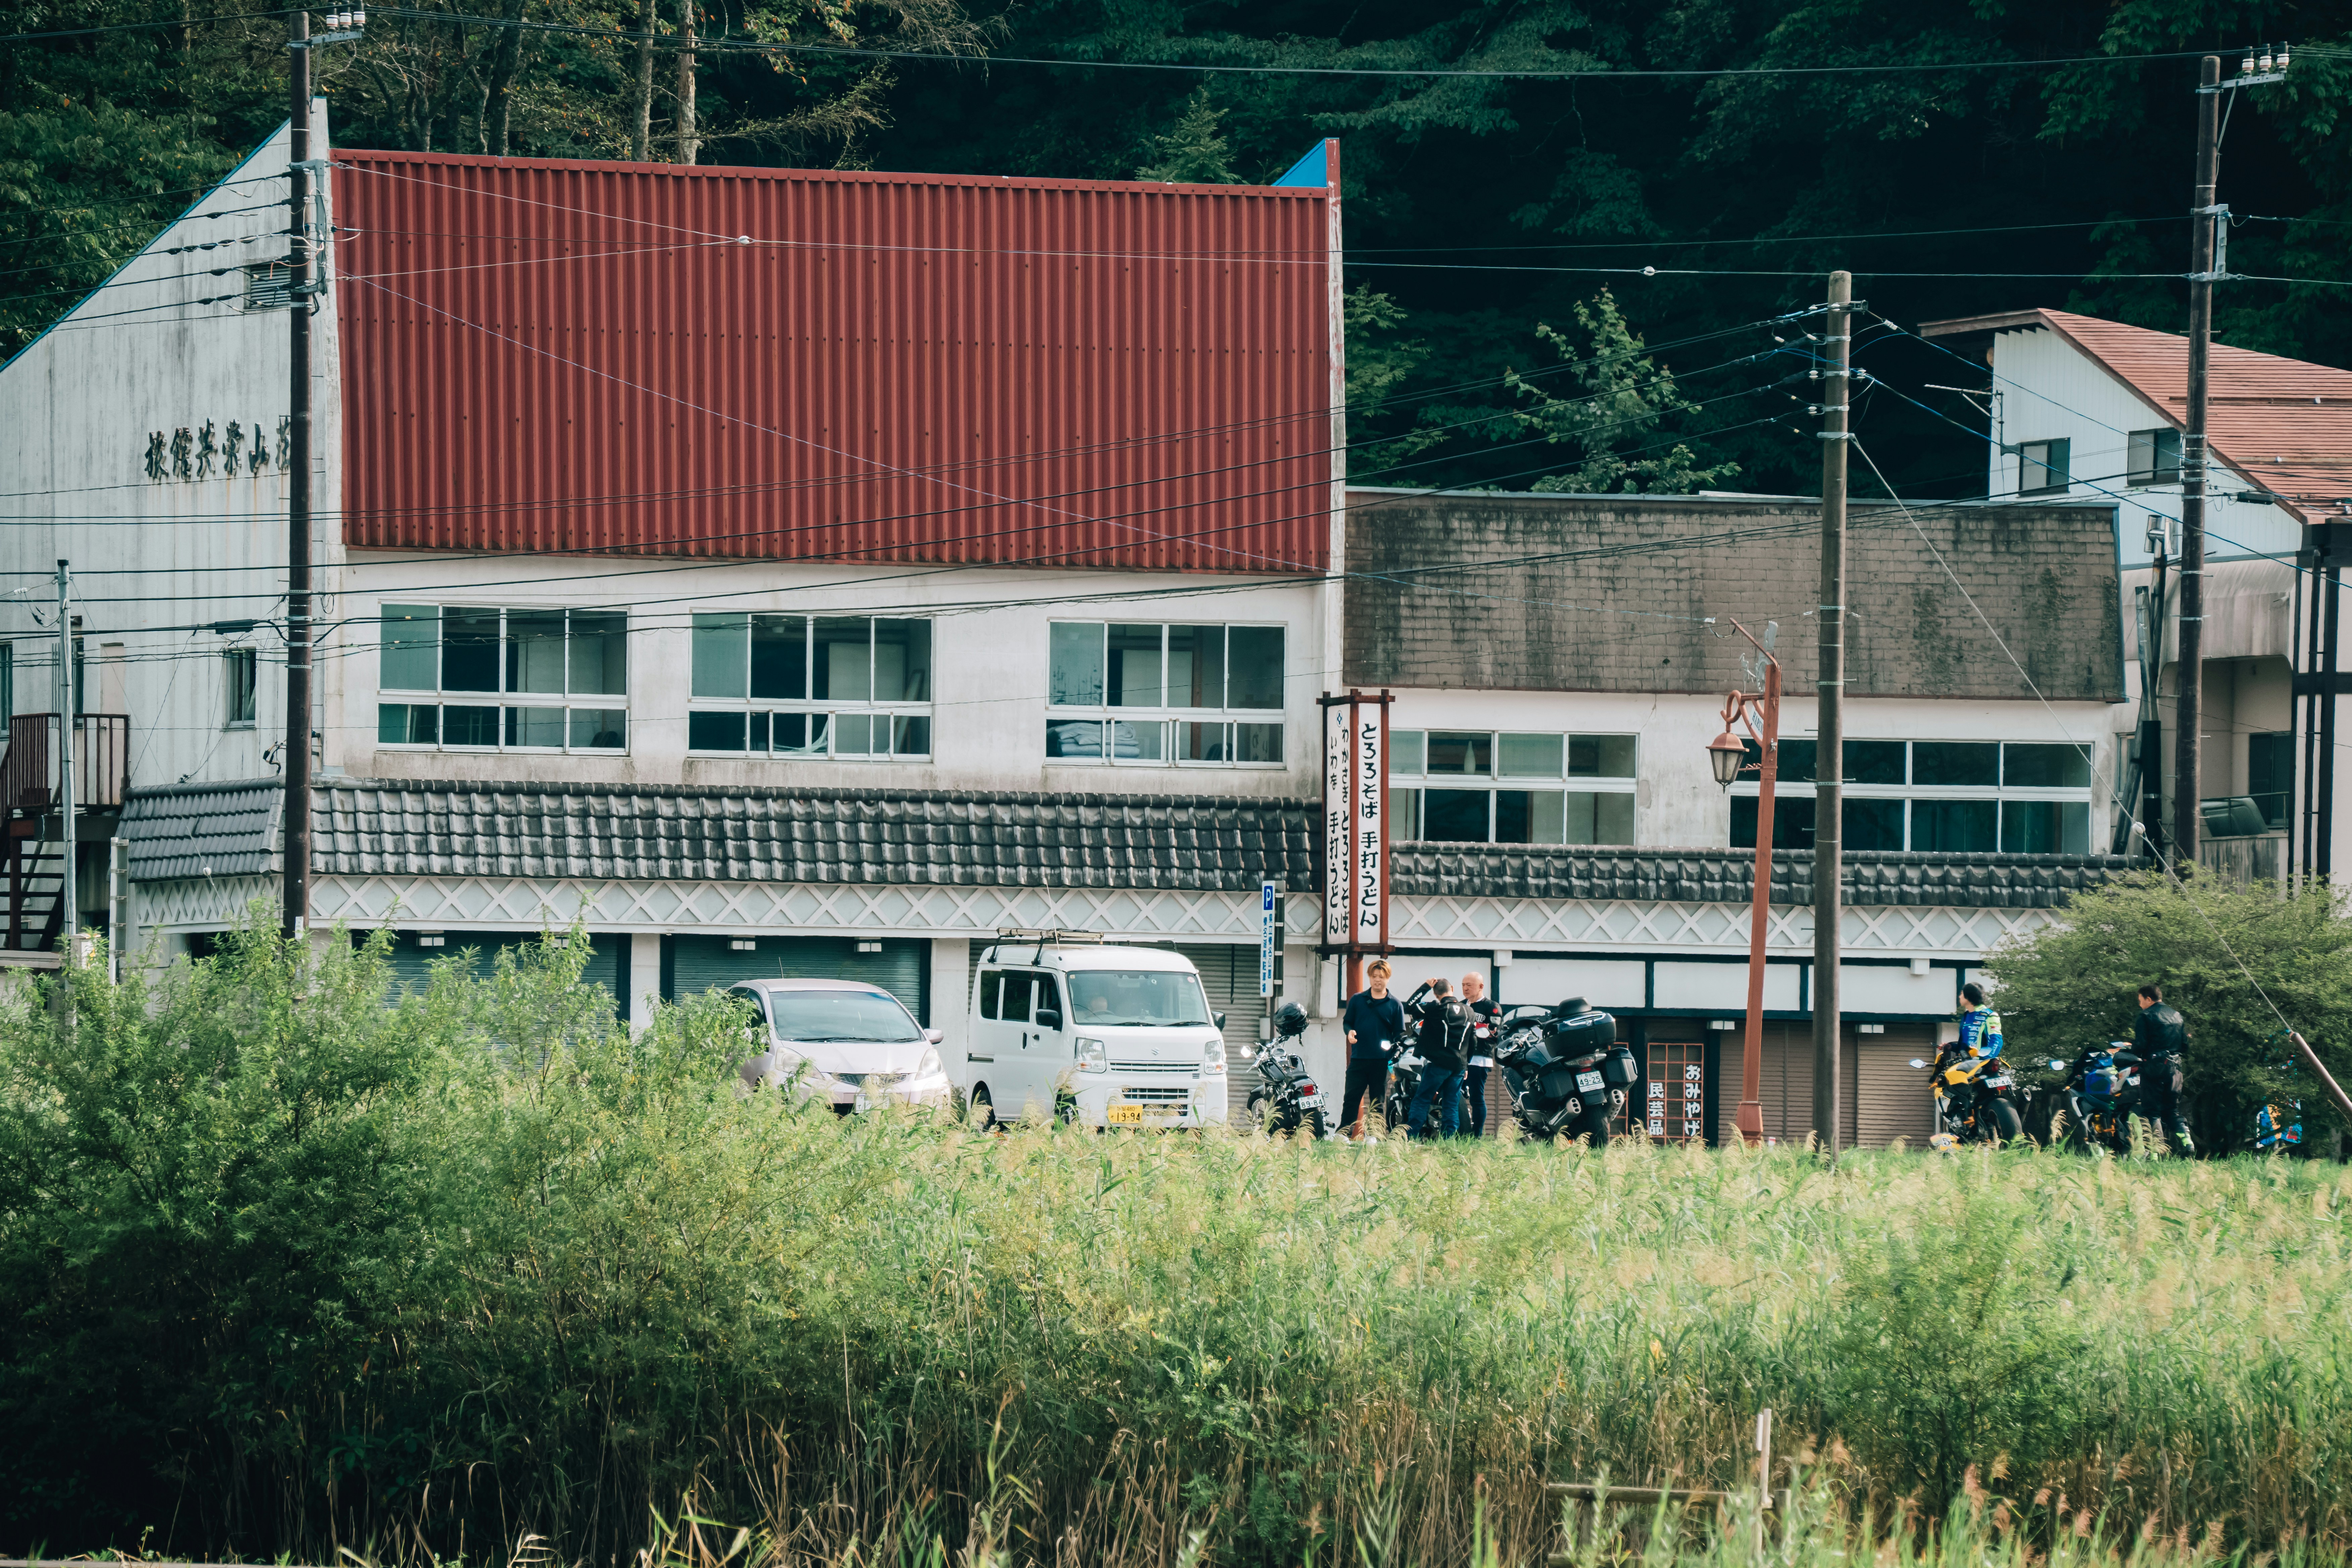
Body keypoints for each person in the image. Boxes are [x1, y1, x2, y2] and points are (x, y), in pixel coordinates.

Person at [1340, 958, 1405, 1139]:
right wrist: (1349, 1032)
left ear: (1388, 979)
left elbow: (1399, 1033)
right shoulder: (1358, 1000)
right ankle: (1344, 1134)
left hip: (1381, 1061)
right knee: (1351, 1099)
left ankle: (1375, 1136)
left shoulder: (1395, 1004)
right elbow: (1348, 1022)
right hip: (1359, 1059)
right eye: (1375, 976)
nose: (1378, 980)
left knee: (1378, 1102)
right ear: (1369, 977)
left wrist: (1396, 1052)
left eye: (1382, 977)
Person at [1405, 976, 1471, 1139]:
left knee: (1422, 1099)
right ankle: (1449, 1141)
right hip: (1459, 1066)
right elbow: (1473, 1040)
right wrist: (1467, 1065)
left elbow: (1409, 1007)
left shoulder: (1435, 1008)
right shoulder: (1469, 1011)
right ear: (1453, 989)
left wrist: (1425, 986)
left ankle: (1412, 1137)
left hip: (1438, 1065)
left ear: (1436, 994)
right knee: (1451, 1103)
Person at [2133, 981, 2194, 1156]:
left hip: (2153, 1068)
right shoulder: (2177, 1016)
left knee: (2151, 1112)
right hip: (2175, 1070)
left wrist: (2131, 1052)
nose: (2140, 1004)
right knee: (2172, 1111)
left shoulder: (2146, 1016)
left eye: (2140, 1000)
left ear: (2148, 999)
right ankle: (2188, 1143)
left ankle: (2155, 1152)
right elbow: (2185, 1046)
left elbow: (2141, 1044)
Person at [1461, 971, 1502, 1137]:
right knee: (1457, 1096)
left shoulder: (1492, 1007)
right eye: (1463, 985)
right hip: (1461, 1059)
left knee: (1477, 1098)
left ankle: (1476, 1136)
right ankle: (1460, 1130)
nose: (1465, 988)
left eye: (1469, 985)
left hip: (1480, 1059)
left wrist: (1475, 1029)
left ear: (1481, 987)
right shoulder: (1462, 1005)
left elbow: (1495, 1034)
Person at [1953, 981, 2004, 1062]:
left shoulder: (1990, 1015)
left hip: (1980, 1068)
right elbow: (1964, 1046)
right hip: (1965, 1066)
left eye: (1962, 994)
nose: (1960, 997)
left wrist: (1985, 1061)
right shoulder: (1966, 1016)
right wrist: (1950, 1047)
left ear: (1969, 996)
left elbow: (1997, 1042)